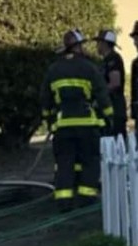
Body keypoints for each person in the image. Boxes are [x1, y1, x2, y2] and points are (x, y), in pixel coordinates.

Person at [41, 29, 113, 211]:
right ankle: (86, 198)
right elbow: (102, 94)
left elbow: (45, 98)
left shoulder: (54, 69)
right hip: (86, 125)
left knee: (65, 163)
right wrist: (109, 116)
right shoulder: (89, 67)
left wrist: (48, 119)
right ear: (78, 46)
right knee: (89, 161)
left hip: (63, 125)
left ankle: (64, 201)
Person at [94, 29, 127, 138]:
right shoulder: (105, 60)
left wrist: (98, 93)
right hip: (108, 110)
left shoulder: (114, 59)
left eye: (98, 43)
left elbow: (115, 83)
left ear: (104, 44)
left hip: (115, 110)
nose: (96, 46)